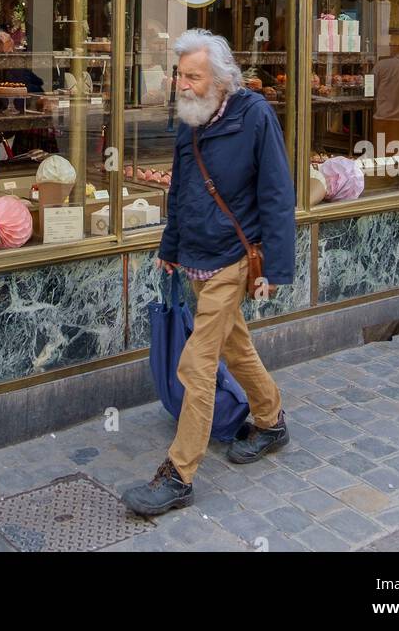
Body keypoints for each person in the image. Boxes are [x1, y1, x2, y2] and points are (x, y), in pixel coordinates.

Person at [121, 29, 296, 517]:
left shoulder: (255, 116)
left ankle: (179, 475)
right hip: (195, 255)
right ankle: (271, 419)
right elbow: (180, 190)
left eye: (193, 76)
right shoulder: (190, 121)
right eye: (181, 75)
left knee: (196, 364)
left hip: (233, 259)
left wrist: (276, 268)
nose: (183, 84)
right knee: (235, 346)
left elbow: (279, 195)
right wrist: (169, 244)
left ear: (221, 80)